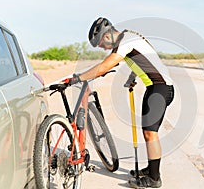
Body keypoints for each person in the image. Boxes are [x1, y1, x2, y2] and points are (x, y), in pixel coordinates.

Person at [69, 17, 174, 188]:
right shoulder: (130, 38)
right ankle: (151, 170)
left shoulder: (124, 42)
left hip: (159, 89)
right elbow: (144, 58)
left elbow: (103, 67)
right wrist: (133, 77)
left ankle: (154, 179)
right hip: (157, 88)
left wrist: (78, 77)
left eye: (101, 43)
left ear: (108, 34)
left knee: (150, 134)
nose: (103, 48)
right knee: (148, 132)